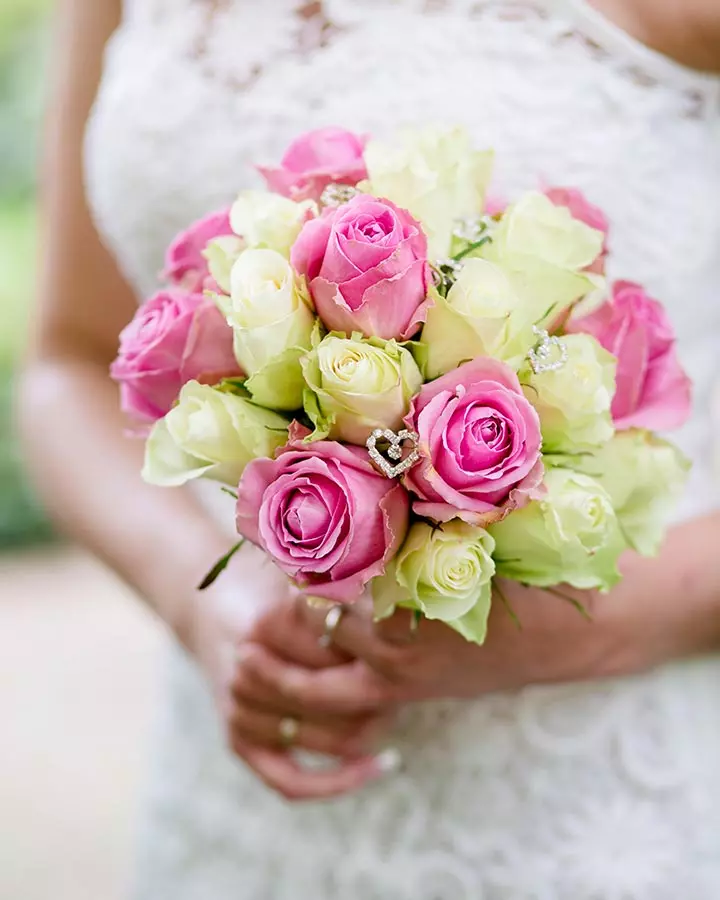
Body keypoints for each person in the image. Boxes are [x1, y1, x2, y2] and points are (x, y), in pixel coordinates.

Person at [19, 0, 720, 897]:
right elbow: (66, 366)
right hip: (240, 810)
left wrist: (580, 634)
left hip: (592, 810)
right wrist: (210, 601)